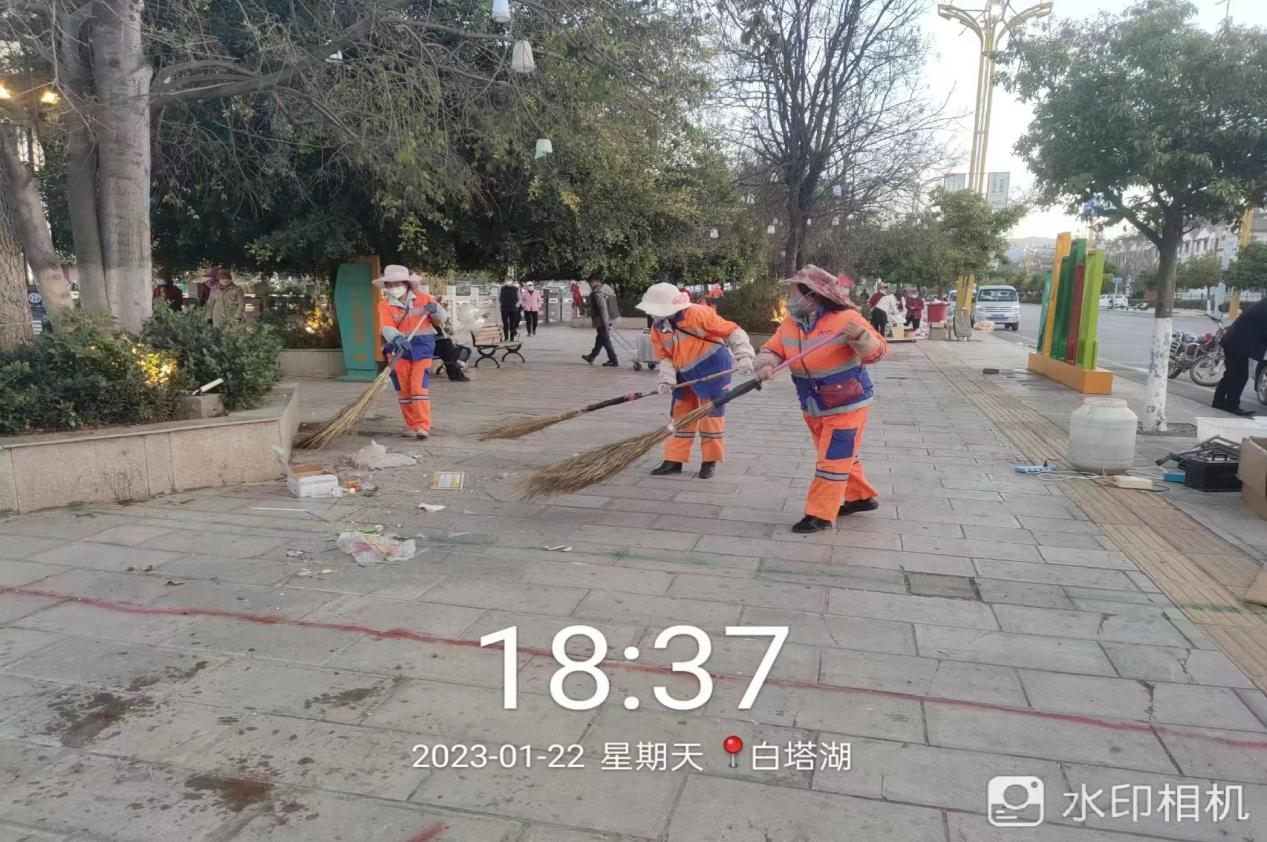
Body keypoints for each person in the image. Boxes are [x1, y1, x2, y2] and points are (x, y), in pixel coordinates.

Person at [754, 265, 888, 533]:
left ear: (812, 295)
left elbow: (878, 352)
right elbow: (774, 347)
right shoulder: (791, 323)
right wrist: (766, 363)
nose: (790, 298)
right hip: (813, 404)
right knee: (838, 455)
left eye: (794, 293)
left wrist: (861, 338)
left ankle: (820, 515)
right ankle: (860, 498)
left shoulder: (847, 319)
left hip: (847, 404)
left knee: (832, 460)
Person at [637, 282, 756, 480]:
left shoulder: (699, 314)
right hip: (684, 375)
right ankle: (674, 459)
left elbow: (733, 331)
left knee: (711, 417)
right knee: (679, 416)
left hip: (714, 371)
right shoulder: (658, 328)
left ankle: (710, 461)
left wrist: (744, 356)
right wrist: (666, 379)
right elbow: (665, 356)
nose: (653, 314)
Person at [376, 264, 447, 438]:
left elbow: (441, 319)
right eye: (390, 285)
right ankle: (411, 425)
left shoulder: (424, 299)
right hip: (398, 349)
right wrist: (396, 338)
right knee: (404, 390)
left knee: (418, 387)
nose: (394, 287)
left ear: (406, 283)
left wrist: (435, 310)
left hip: (422, 347)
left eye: (397, 283)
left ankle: (422, 426)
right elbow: (386, 326)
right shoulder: (384, 305)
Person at [1213, 300, 1267, 417]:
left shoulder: (1261, 305)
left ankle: (1218, 402)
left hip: (1233, 342)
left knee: (1231, 375)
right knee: (1240, 376)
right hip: (1238, 345)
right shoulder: (1264, 309)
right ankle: (1231, 406)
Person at [582, 278, 620, 366]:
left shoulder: (597, 293)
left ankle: (613, 360)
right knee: (600, 338)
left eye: (591, 282)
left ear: (597, 281)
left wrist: (605, 322)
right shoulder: (606, 289)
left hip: (602, 320)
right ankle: (591, 356)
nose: (590, 284)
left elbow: (603, 308)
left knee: (605, 339)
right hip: (612, 317)